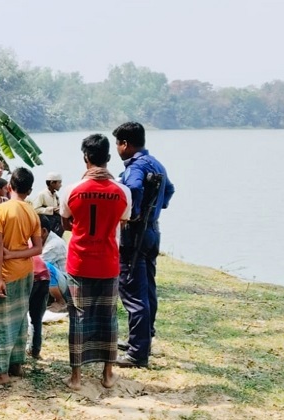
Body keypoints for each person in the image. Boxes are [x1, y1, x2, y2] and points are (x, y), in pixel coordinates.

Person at [60, 133, 131, 390]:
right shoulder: (123, 192)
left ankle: (76, 378)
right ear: (108, 158)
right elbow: (122, 221)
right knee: (108, 317)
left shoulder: (71, 190)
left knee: (79, 317)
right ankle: (107, 374)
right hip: (109, 263)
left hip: (79, 263)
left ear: (86, 158)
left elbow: (66, 221)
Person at [112, 122, 175, 368]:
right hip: (152, 231)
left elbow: (135, 188)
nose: (117, 149)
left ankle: (137, 353)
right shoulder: (157, 163)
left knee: (132, 291)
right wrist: (156, 208)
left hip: (135, 234)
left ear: (125, 144)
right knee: (147, 287)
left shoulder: (136, 167)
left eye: (118, 143)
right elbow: (169, 190)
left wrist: (135, 212)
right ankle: (142, 339)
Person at [0, 167, 42, 387]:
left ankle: (0, 373)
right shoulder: (32, 211)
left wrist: (0, 277)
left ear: (9, 186)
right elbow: (37, 249)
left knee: (2, 322)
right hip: (26, 272)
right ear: (30, 189)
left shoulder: (1, 209)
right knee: (20, 318)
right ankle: (16, 364)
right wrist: (15, 253)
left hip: (8, 272)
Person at [40, 216, 69, 312]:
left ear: (44, 231)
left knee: (44, 267)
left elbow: (35, 265)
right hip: (58, 281)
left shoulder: (54, 244)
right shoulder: (43, 240)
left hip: (66, 285)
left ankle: (61, 301)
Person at [28, 253, 50, 360]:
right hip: (44, 276)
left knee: (19, 315)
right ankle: (35, 350)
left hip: (30, 275)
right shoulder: (30, 242)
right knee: (37, 318)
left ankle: (16, 353)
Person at [28, 172, 64, 237]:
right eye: (59, 182)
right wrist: (52, 210)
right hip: (45, 229)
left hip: (54, 227)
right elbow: (35, 210)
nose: (61, 185)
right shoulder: (42, 194)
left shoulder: (56, 196)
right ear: (52, 183)